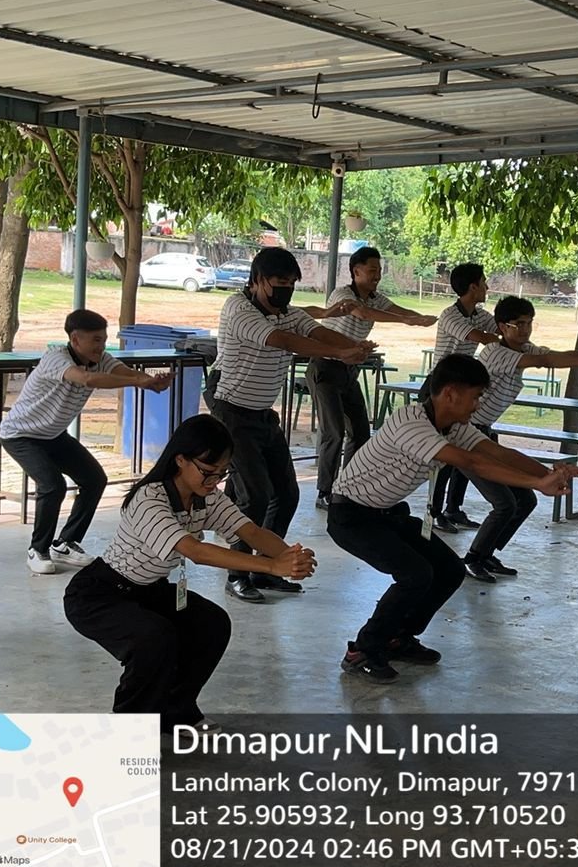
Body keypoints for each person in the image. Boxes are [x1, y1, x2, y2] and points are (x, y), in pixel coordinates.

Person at [328, 355, 578, 682]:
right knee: (415, 574)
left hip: (387, 514)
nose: (478, 405)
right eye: (475, 396)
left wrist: (547, 473)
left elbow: (496, 453)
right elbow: (471, 463)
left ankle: (397, 637)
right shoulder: (411, 423)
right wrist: (537, 484)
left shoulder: (452, 427)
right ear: (450, 393)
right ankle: (363, 650)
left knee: (449, 570)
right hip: (351, 515)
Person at [64, 415, 316, 733]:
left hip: (150, 590)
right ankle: (128, 730)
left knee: (212, 623)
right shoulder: (149, 498)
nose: (215, 481)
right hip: (99, 594)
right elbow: (195, 551)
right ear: (180, 459)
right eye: (208, 471)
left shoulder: (207, 496)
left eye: (223, 473)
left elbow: (250, 531)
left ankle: (175, 710)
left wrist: (289, 556)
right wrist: (271, 566)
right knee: (153, 640)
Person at [212, 246, 373, 603]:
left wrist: (354, 346)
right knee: (254, 496)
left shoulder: (288, 313)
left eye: (290, 284)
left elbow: (315, 332)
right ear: (257, 280)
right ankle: (237, 574)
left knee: (286, 494)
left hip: (262, 414)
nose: (285, 290)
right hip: (231, 411)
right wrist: (339, 353)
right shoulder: (238, 309)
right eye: (279, 283)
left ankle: (266, 568)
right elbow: (281, 341)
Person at [0, 309, 173, 575]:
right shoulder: (55, 358)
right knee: (53, 485)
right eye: (95, 340)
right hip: (21, 435)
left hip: (53, 435)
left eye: (103, 340)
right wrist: (138, 381)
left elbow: (123, 371)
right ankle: (38, 549)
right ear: (75, 339)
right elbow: (86, 379)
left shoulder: (101, 359)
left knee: (94, 479)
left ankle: (66, 544)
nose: (101, 346)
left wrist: (149, 382)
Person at [464, 296, 578, 582]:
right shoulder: (495, 353)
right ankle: (473, 559)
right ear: (502, 327)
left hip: (483, 432)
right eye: (518, 324)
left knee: (524, 500)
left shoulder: (524, 348)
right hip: (465, 434)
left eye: (529, 323)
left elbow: (556, 355)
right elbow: (545, 360)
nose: (525, 329)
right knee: (505, 503)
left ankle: (485, 554)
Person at [306, 246, 435, 510]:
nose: (377, 275)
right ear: (356, 271)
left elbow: (398, 310)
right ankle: (325, 492)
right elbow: (363, 313)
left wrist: (419, 318)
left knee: (360, 431)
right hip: (325, 368)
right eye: (372, 270)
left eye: (379, 270)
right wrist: (406, 321)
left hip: (348, 371)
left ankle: (348, 487)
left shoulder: (377, 299)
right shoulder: (342, 295)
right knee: (334, 432)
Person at [427, 262, 502, 532]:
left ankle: (454, 509)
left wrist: (513, 326)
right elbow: (479, 336)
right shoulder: (450, 315)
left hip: (463, 389)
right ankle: (434, 512)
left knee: (465, 447)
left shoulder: (480, 314)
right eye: (483, 282)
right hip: (440, 389)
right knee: (444, 454)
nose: (487, 287)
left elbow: (499, 328)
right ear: (472, 287)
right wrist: (505, 341)